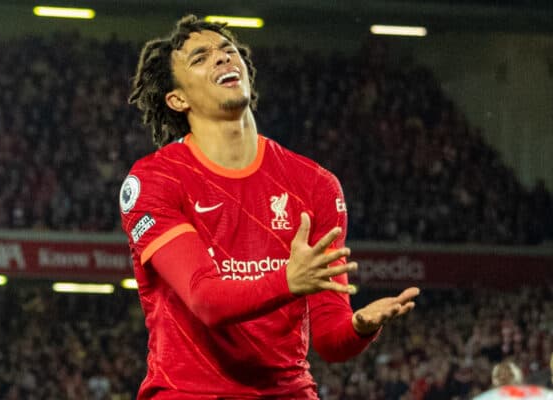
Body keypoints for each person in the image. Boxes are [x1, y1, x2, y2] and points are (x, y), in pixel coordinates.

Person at [120, 15, 420, 399]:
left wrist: (360, 326)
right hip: (191, 393)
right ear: (178, 99)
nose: (222, 59)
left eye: (228, 52)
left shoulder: (314, 184)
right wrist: (287, 281)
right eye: (200, 58)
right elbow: (205, 299)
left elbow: (330, 339)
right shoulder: (156, 179)